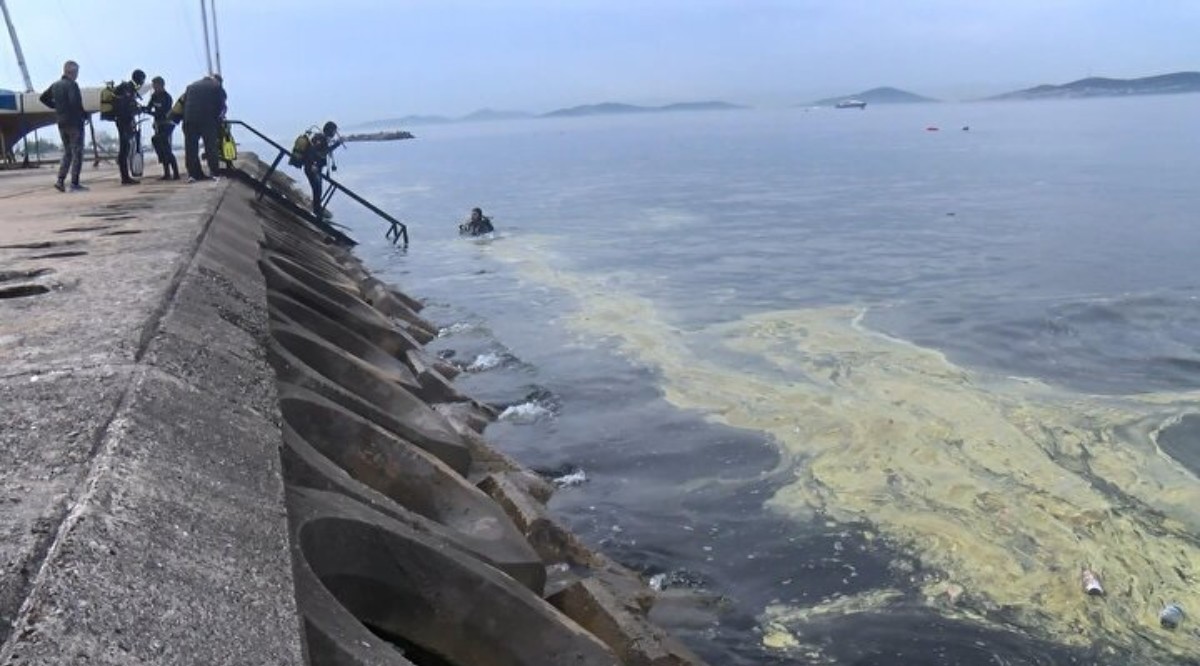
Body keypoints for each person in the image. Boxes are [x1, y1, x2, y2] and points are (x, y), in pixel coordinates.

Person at [39, 60, 86, 192]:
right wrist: (83, 115)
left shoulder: (55, 85)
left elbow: (43, 98)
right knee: (77, 152)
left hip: (61, 122)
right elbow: (75, 103)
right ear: (73, 72)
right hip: (74, 123)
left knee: (67, 152)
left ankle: (60, 181)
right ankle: (75, 183)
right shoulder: (72, 85)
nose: (77, 75)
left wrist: (57, 107)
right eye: (76, 72)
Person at [182, 74, 226, 182]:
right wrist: (216, 118)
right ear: (218, 81)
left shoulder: (191, 86)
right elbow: (221, 105)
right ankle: (214, 172)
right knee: (211, 146)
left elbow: (183, 103)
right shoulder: (216, 87)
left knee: (191, 148)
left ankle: (193, 174)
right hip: (207, 120)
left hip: (189, 120)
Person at [296, 121, 343, 218]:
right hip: (312, 168)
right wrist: (313, 164)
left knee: (318, 190)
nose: (335, 134)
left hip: (315, 168)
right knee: (317, 190)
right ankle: (317, 211)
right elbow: (317, 152)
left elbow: (322, 152)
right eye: (334, 131)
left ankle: (317, 209)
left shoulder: (322, 138)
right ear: (330, 130)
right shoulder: (320, 138)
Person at [111, 69, 146, 184]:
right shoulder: (128, 89)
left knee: (125, 149)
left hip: (123, 121)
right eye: (142, 81)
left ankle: (125, 177)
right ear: (139, 80)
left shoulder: (128, 88)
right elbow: (126, 108)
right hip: (124, 122)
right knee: (124, 150)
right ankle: (125, 178)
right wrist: (136, 111)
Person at [144, 76, 179, 180]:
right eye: (153, 85)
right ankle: (166, 173)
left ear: (161, 85)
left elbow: (163, 112)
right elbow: (149, 107)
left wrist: (151, 112)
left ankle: (175, 173)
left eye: (156, 85)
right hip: (158, 124)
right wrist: (143, 109)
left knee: (166, 147)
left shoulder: (167, 97)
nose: (154, 87)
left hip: (167, 124)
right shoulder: (154, 96)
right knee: (157, 142)